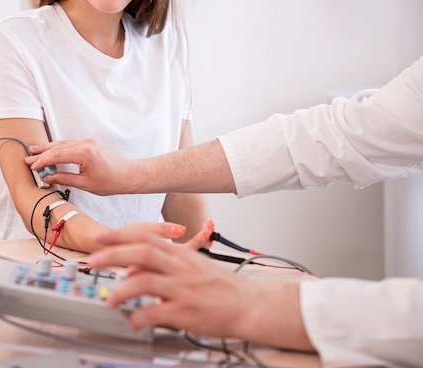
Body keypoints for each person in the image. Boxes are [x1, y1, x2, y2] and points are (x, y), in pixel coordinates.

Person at [25, 55, 423, 366]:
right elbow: (334, 135)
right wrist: (130, 175)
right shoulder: (18, 43)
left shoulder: (164, 52)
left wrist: (254, 304)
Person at [0, 0, 210, 252]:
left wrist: (204, 263)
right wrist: (114, 243)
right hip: (33, 261)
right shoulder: (12, 40)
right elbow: (33, 194)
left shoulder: (165, 41)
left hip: (138, 266)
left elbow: (179, 188)